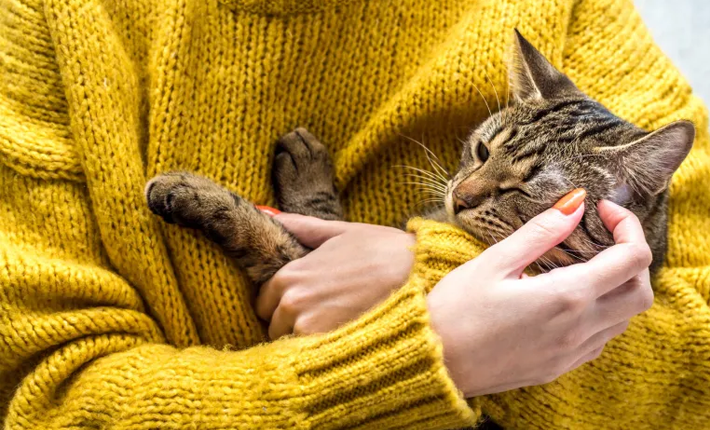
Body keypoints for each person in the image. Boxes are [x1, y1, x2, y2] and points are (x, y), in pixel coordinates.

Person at [0, 0, 708, 429]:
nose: (463, 193)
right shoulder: (50, 20)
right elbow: (46, 403)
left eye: (512, 183)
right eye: (479, 156)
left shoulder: (570, 15)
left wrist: (423, 273)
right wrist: (429, 342)